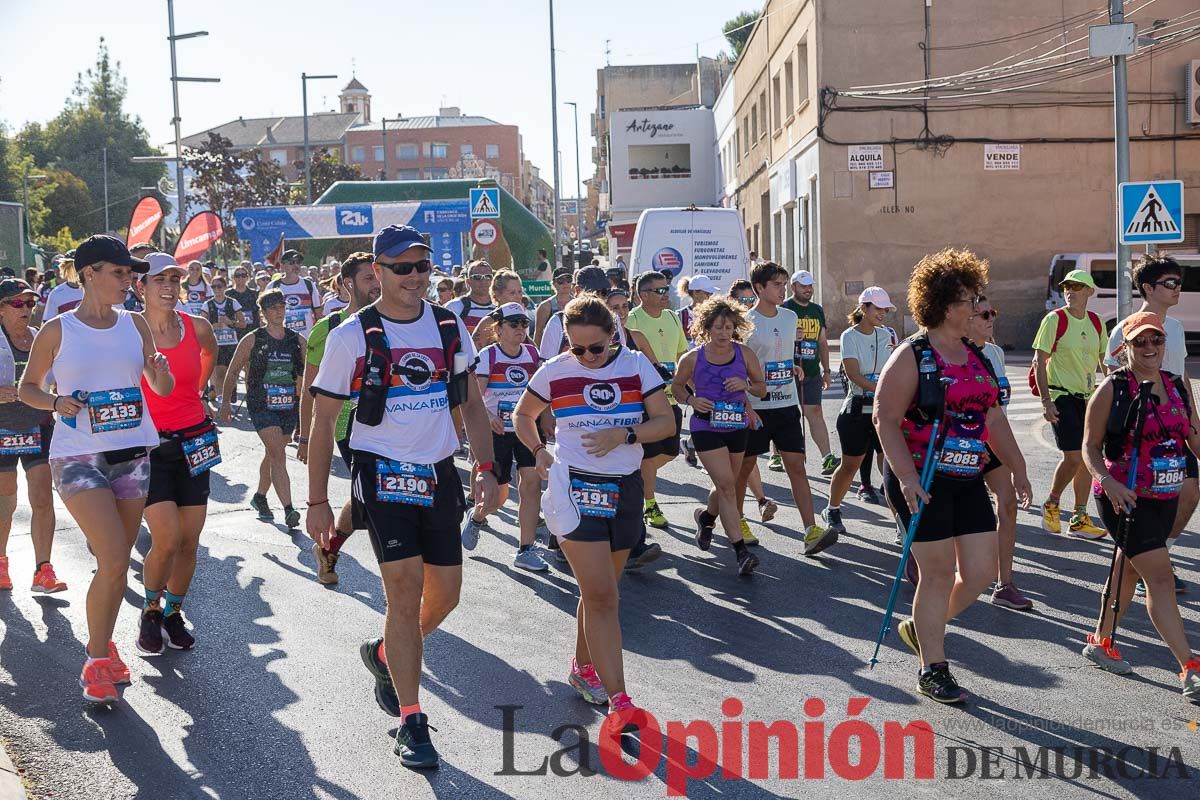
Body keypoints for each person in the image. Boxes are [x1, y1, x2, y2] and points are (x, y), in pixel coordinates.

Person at [307, 224, 499, 768]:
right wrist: (317, 500)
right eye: (401, 268)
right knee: (405, 591)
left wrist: (484, 467)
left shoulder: (447, 324)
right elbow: (323, 422)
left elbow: (471, 403)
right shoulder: (351, 336)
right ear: (378, 272)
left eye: (422, 266)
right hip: (381, 471)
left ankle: (388, 654)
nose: (415, 277)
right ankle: (412, 721)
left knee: (447, 595)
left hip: (438, 471)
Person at [19, 235, 172, 704]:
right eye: (120, 272)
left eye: (131, 273)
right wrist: (57, 402)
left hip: (132, 452)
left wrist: (158, 366)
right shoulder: (58, 329)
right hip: (77, 456)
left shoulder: (137, 325)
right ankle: (96, 660)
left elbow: (160, 387)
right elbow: (29, 388)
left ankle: (104, 645)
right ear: (89, 274)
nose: (130, 280)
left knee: (115, 564)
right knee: (111, 557)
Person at [874, 248, 1031, 704]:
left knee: (980, 573)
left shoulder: (977, 357)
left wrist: (1018, 467)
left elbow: (994, 420)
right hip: (921, 479)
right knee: (938, 573)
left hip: (967, 477)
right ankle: (933, 667)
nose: (977, 307)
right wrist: (904, 476)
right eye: (969, 299)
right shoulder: (913, 356)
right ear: (946, 305)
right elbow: (885, 419)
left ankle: (921, 628)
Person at [514, 295, 673, 718]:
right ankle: (620, 699)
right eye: (575, 347)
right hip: (572, 489)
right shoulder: (554, 370)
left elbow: (666, 422)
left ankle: (584, 667)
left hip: (624, 489)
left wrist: (626, 435)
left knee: (600, 591)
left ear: (612, 337)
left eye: (594, 348)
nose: (584, 356)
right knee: (602, 596)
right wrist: (538, 451)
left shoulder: (636, 366)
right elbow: (522, 414)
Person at [1079, 311, 1199, 698]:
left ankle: (1101, 641)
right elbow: (1090, 447)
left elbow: (1193, 439)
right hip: (1125, 498)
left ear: (1165, 344)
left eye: (1156, 341)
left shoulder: (1178, 385)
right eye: (1140, 342)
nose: (1150, 348)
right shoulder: (1114, 389)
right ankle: (1189, 667)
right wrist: (1108, 481)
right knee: (1160, 578)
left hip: (1165, 497)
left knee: (1128, 570)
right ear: (1124, 348)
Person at [135, 253, 219, 653]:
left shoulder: (196, 326)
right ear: (141, 287)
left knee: (189, 542)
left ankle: (173, 612)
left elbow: (209, 351)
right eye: (159, 280)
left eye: (174, 279)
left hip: (195, 440)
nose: (168, 287)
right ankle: (150, 610)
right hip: (149, 446)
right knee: (166, 539)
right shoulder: (129, 333)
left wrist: (199, 392)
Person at [1103, 254, 1194, 595]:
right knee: (1143, 509)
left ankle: (1156, 556)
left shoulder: (1176, 328)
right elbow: (1112, 383)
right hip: (1138, 437)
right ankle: (1148, 563)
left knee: (1189, 493)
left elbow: (1183, 382)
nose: (1177, 289)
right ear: (1147, 288)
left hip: (1175, 429)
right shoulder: (1123, 329)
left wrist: (1194, 425)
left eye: (1178, 283)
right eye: (1170, 283)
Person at [297, 252, 381, 584]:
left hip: (392, 425)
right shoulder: (329, 328)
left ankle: (331, 548)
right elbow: (309, 389)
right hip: (348, 425)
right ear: (348, 284)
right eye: (368, 279)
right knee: (375, 498)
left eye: (378, 276)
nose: (377, 284)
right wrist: (305, 435)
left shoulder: (397, 321)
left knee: (369, 497)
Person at [736, 262, 828, 554]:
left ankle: (810, 529)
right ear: (759, 288)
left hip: (787, 403)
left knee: (796, 466)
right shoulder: (745, 322)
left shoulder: (790, 318)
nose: (783, 289)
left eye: (784, 283)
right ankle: (736, 520)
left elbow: (783, 354)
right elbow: (741, 366)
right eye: (777, 284)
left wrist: (794, 369)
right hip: (756, 406)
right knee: (745, 467)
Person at [673, 296, 767, 574]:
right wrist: (691, 401)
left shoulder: (744, 354)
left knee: (727, 484)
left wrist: (747, 385)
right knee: (726, 485)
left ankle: (706, 517)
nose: (724, 333)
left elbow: (762, 389)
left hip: (736, 426)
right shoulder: (693, 358)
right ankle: (740, 551)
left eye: (729, 328)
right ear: (706, 328)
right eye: (718, 328)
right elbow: (677, 387)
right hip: (705, 426)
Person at [462, 302, 549, 572]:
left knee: (531, 485)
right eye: (514, 324)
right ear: (499, 329)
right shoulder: (488, 356)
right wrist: (489, 418)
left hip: (525, 429)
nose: (521, 329)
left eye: (524, 324)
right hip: (496, 433)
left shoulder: (533, 355)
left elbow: (542, 395)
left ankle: (525, 549)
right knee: (496, 498)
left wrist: (545, 421)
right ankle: (477, 516)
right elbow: (475, 398)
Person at [219, 290, 306, 529]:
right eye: (274, 308)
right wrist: (226, 402)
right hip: (260, 404)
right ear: (264, 312)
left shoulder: (297, 340)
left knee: (272, 452)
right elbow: (233, 370)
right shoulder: (253, 339)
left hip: (288, 405)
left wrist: (308, 411)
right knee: (278, 453)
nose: (279, 312)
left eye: (282, 307)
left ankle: (259, 497)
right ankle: (289, 509)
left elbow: (306, 377)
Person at [1033, 269, 1107, 538]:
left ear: (1090, 291)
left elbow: (1104, 362)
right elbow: (1039, 361)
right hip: (1061, 395)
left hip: (1088, 398)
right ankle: (1052, 503)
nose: (1070, 291)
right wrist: (1046, 400)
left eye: (1077, 287)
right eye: (1067, 287)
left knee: (1088, 459)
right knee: (1074, 456)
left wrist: (1113, 395)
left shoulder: (1097, 322)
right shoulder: (1055, 319)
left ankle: (1078, 517)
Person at [0, 279, 61, 594]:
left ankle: (43, 569)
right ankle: (0, 562)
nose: (26, 309)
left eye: (30, 303)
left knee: (42, 496)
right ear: (1, 309)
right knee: (5, 501)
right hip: (2, 430)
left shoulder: (40, 338)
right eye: (17, 303)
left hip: (38, 427)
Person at [820, 287, 895, 537]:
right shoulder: (848, 336)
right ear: (864, 308)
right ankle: (832, 508)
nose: (883, 313)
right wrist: (883, 388)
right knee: (850, 464)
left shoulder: (886, 335)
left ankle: (902, 524)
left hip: (884, 411)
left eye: (885, 309)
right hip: (856, 410)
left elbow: (892, 370)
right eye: (878, 308)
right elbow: (853, 374)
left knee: (891, 466)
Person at [625, 271, 690, 530]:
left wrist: (695, 392)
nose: (667, 294)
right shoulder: (632, 320)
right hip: (645, 403)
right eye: (660, 291)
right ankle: (649, 504)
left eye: (667, 289)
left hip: (671, 399)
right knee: (650, 457)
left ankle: (639, 477)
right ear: (643, 295)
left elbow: (682, 357)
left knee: (670, 452)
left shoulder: (673, 317)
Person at [783, 270, 839, 476]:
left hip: (812, 371)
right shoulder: (784, 309)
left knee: (815, 412)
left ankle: (827, 457)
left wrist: (827, 370)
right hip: (788, 372)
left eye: (810, 286)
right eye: (803, 286)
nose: (808, 289)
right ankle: (777, 454)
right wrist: (791, 337)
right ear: (793, 287)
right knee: (785, 415)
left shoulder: (817, 310)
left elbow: (822, 342)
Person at [205, 275, 246, 407]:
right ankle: (222, 401)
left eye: (219, 286)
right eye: (214, 286)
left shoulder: (232, 302)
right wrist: (212, 326)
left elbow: (243, 323)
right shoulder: (208, 304)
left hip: (231, 343)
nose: (216, 289)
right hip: (216, 344)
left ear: (225, 287)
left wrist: (231, 322)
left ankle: (230, 391)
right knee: (220, 373)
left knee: (232, 373)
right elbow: (202, 324)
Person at [270, 250, 324, 337]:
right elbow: (266, 315)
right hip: (282, 340)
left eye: (298, 262)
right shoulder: (273, 286)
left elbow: (318, 314)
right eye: (291, 262)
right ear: (282, 265)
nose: (296, 266)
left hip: (307, 339)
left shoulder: (309, 285)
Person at [445, 259, 496, 334]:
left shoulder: (500, 307)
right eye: (477, 277)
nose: (483, 281)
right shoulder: (454, 307)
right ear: (468, 282)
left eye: (488, 277)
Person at [535, 268, 575, 341]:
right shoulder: (545, 306)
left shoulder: (578, 304)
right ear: (554, 283)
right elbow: (538, 334)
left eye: (569, 279)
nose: (565, 283)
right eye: (561, 281)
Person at [228, 264, 260, 333]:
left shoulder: (254, 294)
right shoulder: (227, 294)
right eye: (237, 275)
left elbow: (259, 313)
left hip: (252, 330)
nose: (240, 278)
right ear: (233, 278)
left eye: (243, 275)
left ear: (247, 277)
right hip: (234, 331)